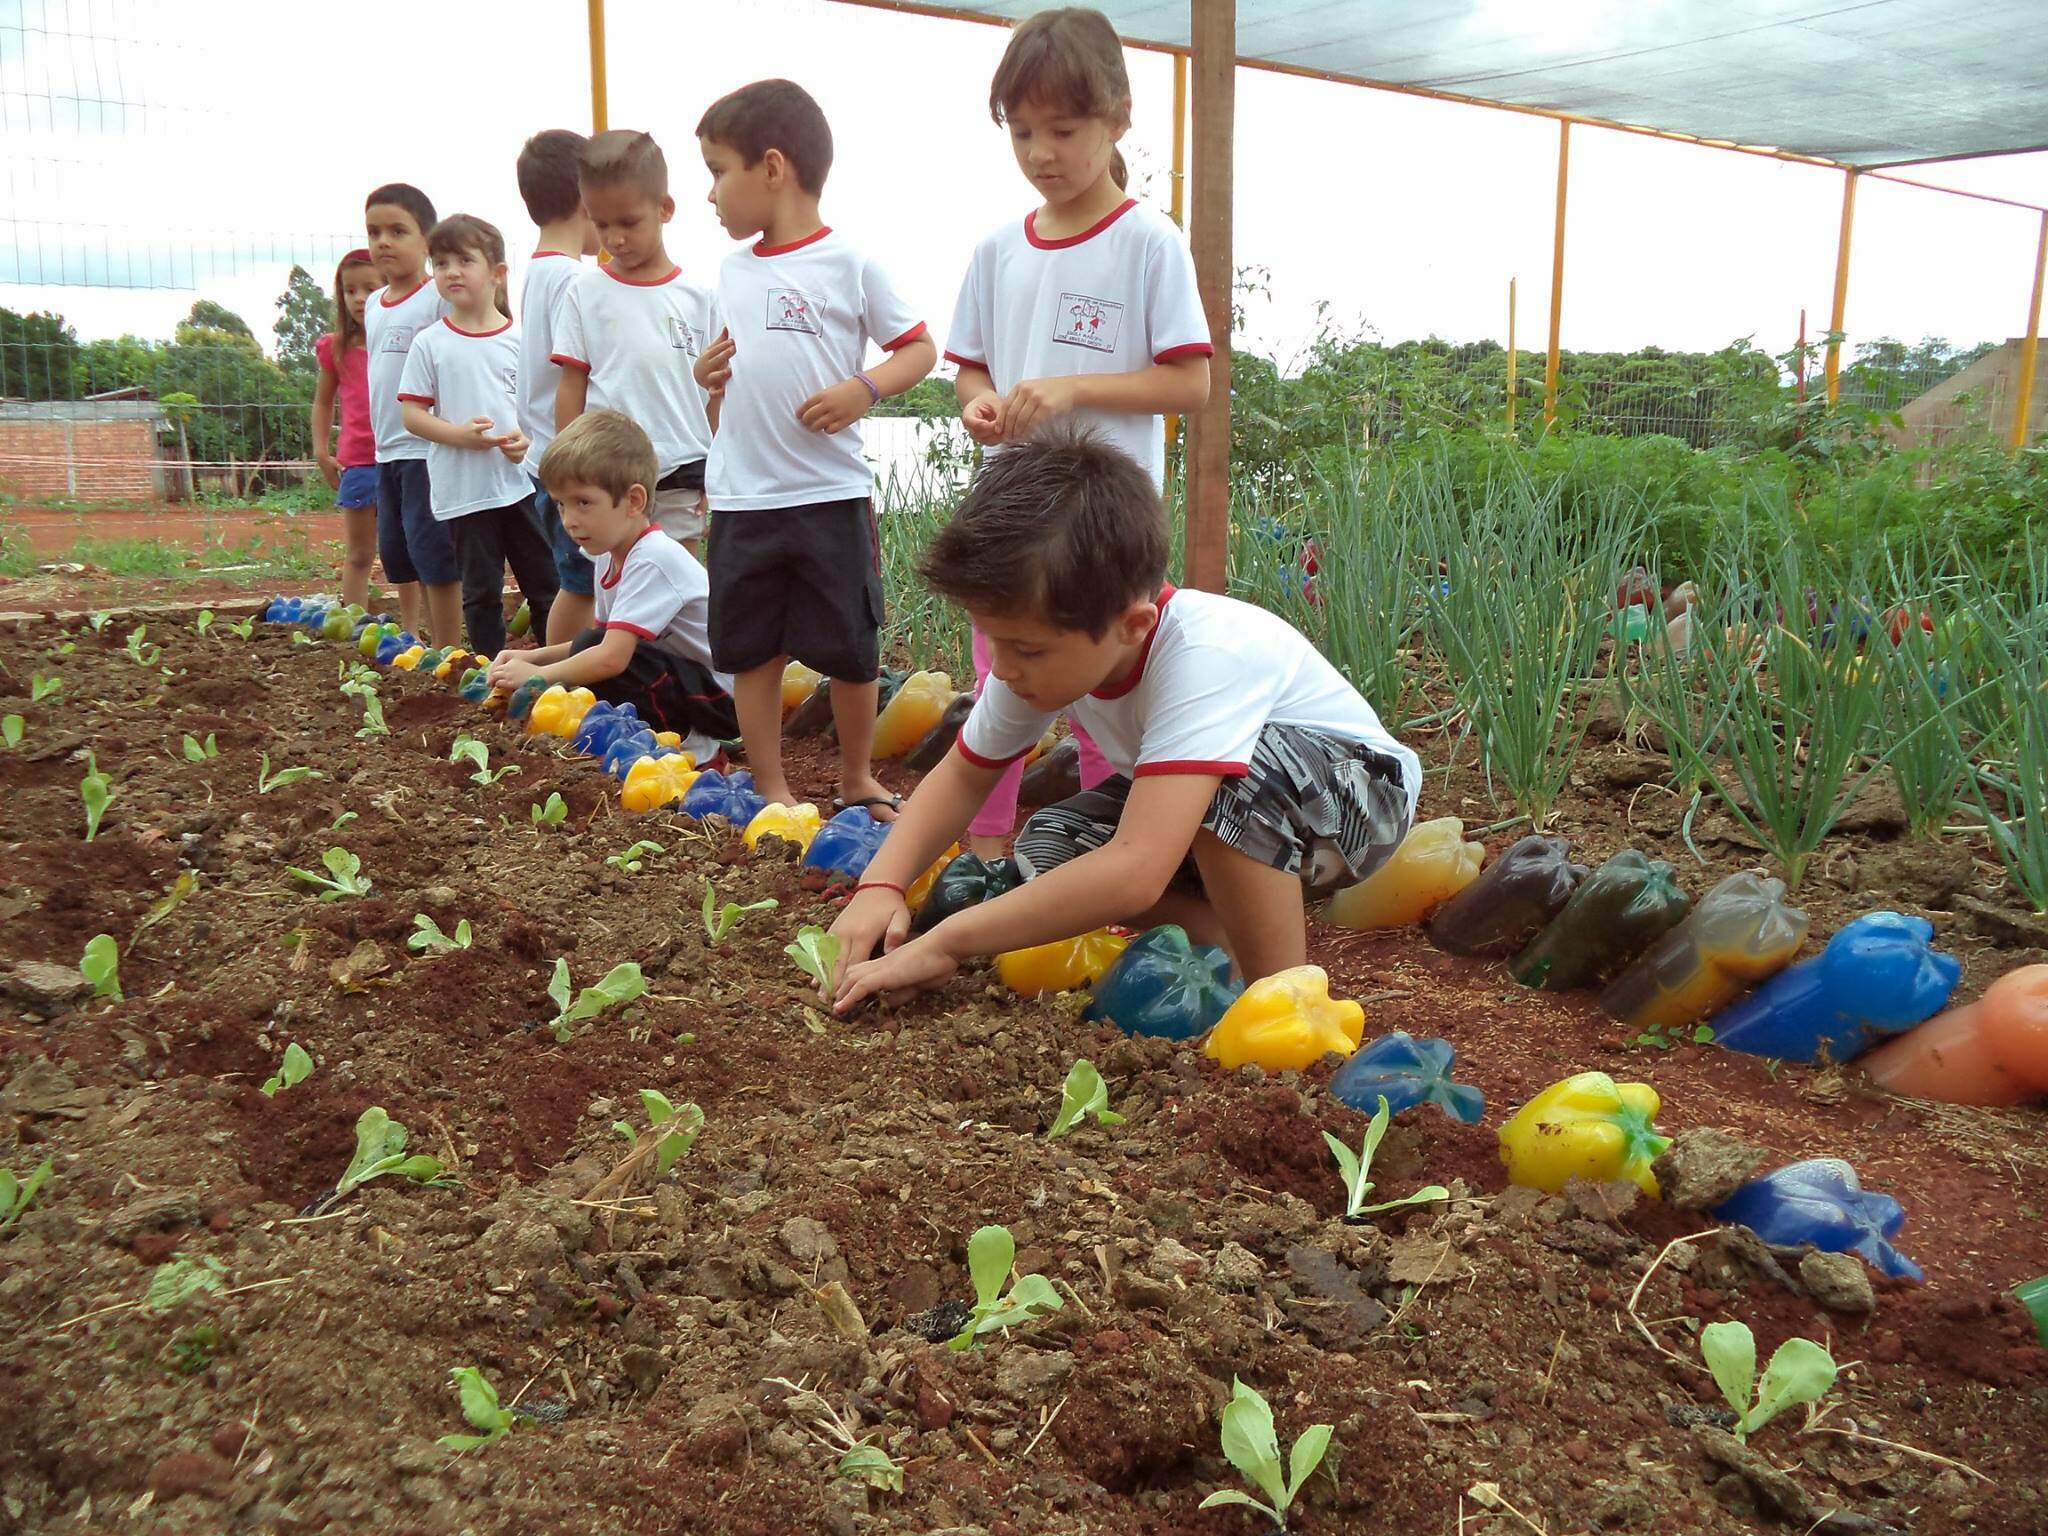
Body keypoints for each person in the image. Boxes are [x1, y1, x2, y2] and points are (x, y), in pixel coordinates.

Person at [824, 431, 1421, 1013]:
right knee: (1052, 844)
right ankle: (1225, 944)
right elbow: (962, 777)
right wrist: (880, 887)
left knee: (1234, 786)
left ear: (1131, 626)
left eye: (1026, 650)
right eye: (993, 641)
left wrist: (947, 941)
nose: (1002, 669)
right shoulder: (1039, 654)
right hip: (1236, 801)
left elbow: (1136, 873)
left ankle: (1283, 1000)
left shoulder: (1206, 652)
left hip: (1358, 802)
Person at [946, 6, 1212, 859]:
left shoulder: (1147, 243)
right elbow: (970, 369)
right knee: (1001, 683)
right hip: (1016, 516)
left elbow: (1191, 380)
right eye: (1021, 132)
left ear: (1117, 121)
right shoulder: (998, 250)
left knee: (1111, 690)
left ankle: (1108, 854)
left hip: (1106, 522)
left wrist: (1071, 388)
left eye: (1063, 129)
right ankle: (985, 855)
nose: (1041, 153)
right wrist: (979, 406)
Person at [691, 78, 936, 820]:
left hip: (828, 492)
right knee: (750, 649)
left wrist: (863, 388)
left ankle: (857, 776)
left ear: (772, 167)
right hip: (744, 496)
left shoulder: (849, 264)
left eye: (716, 172)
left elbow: (919, 348)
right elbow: (721, 399)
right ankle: (771, 784)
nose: (710, 196)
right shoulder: (730, 275)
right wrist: (706, 381)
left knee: (852, 647)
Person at [485, 410, 737, 766]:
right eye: (561, 504)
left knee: (613, 664)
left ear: (633, 501)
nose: (570, 520)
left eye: (583, 502)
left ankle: (700, 751)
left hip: (722, 699)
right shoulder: (607, 552)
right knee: (593, 644)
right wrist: (531, 656)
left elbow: (611, 658)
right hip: (686, 680)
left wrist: (537, 676)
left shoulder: (652, 559)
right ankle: (648, 737)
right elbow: (598, 642)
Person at [396, 214, 557, 658]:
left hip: (519, 485)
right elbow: (412, 414)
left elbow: (537, 410)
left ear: (498, 274)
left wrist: (525, 440)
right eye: (441, 262)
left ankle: (552, 669)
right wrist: (458, 436)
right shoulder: (430, 343)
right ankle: (489, 673)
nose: (451, 271)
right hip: (466, 493)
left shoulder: (521, 341)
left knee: (544, 583)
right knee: (481, 592)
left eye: (465, 260)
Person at [550, 129, 715, 553]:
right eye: (600, 224)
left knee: (677, 587)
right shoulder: (585, 293)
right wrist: (569, 472)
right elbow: (573, 385)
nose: (614, 238)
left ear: (665, 209)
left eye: (628, 222)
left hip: (681, 471)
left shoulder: (700, 300)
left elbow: (717, 394)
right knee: (606, 591)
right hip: (607, 477)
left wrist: (720, 474)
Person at [514, 128, 602, 643]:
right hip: (568, 461)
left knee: (580, 582)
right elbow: (585, 373)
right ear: (585, 196)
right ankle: (561, 680)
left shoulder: (540, 272)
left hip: (544, 457)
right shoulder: (574, 279)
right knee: (583, 585)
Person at [362, 182, 457, 642]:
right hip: (386, 450)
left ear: (427, 241)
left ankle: (447, 645)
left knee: (433, 551)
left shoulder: (436, 299)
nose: (383, 241)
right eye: (374, 231)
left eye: (397, 231)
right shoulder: (373, 306)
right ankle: (411, 634)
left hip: (426, 448)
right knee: (397, 552)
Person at [310, 248, 385, 608]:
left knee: (409, 554)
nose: (359, 299)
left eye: (370, 289)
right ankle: (354, 621)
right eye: (350, 290)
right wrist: (321, 452)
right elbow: (323, 401)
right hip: (357, 463)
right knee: (359, 554)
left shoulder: (406, 341)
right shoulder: (335, 348)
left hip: (403, 458)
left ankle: (412, 633)